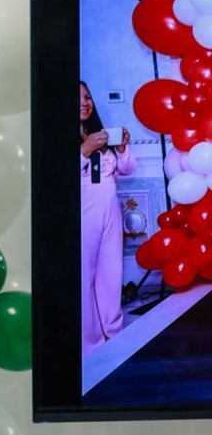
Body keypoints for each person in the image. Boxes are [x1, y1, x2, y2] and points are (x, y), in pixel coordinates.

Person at [80, 80, 134, 351]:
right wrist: (85, 149)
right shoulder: (67, 137)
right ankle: (90, 343)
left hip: (110, 206)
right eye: (77, 98)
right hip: (84, 208)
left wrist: (123, 147)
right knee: (84, 275)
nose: (84, 102)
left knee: (111, 272)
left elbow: (125, 169)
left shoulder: (100, 133)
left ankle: (113, 331)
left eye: (88, 97)